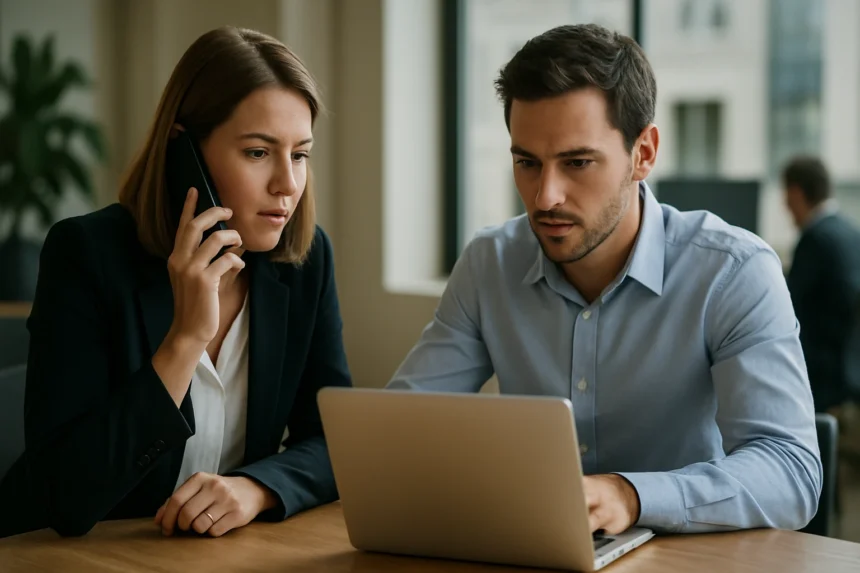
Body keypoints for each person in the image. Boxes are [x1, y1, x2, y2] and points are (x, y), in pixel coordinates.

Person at [388, 24, 821, 535]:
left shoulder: (733, 272)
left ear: (644, 153)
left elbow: (791, 471)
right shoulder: (490, 263)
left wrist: (632, 495)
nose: (545, 196)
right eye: (527, 163)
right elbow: (400, 429)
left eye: (577, 163)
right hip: (532, 548)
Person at [0, 26, 351, 538]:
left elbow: (334, 440)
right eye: (258, 152)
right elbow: (65, 495)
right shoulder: (86, 255)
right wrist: (184, 340)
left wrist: (257, 487)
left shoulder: (304, 263)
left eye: (299, 154)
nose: (288, 184)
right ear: (184, 152)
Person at [782, 156, 860, 412]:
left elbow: (786, 314)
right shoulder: (849, 232)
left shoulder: (814, 241)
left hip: (824, 388)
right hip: (849, 376)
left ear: (795, 193)